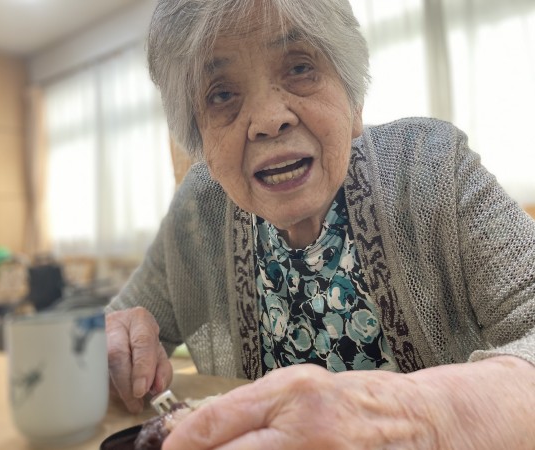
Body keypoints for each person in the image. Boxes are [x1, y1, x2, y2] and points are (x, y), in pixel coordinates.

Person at [105, 0, 535, 447]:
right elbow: (117, 335)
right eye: (222, 95)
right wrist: (120, 340)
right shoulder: (199, 212)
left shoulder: (431, 165)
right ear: (202, 144)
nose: (269, 120)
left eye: (299, 68)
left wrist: (418, 420)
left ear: (354, 101)